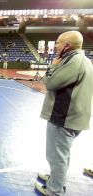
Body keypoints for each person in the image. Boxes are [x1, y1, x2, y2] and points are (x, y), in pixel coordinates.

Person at [35, 31, 93, 196]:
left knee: (57, 156)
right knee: (61, 154)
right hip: (72, 115)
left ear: (68, 46)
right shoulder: (82, 60)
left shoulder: (74, 61)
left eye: (59, 43)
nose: (56, 46)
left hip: (64, 116)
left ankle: (55, 190)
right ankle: (55, 180)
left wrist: (53, 65)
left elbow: (51, 82)